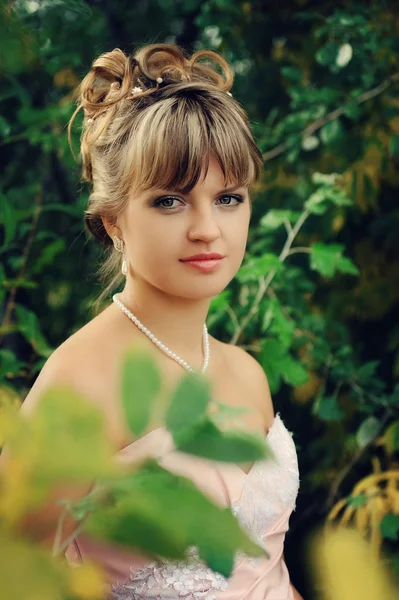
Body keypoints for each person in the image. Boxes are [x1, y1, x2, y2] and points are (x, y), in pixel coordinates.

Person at [1, 43, 302, 599]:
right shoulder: (81, 383)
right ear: (114, 219)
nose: (208, 228)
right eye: (170, 201)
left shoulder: (245, 373)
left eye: (229, 198)